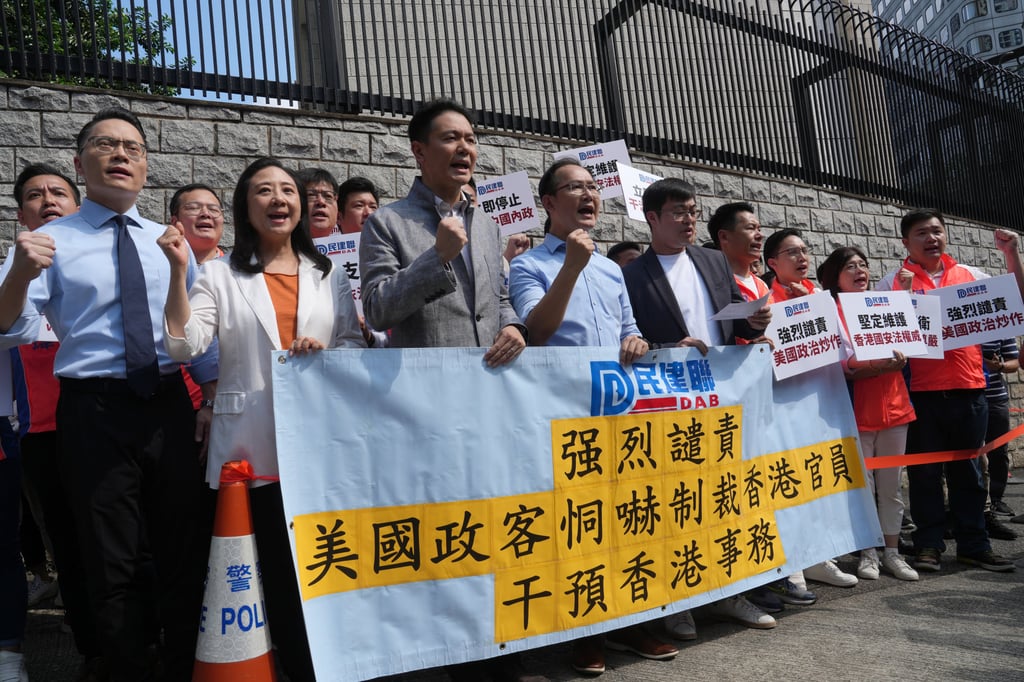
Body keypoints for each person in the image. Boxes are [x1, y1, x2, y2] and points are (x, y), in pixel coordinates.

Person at [0, 108, 217, 680]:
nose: (121, 155)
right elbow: (7, 327)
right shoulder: (46, 241)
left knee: (181, 544)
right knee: (109, 551)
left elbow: (197, 328)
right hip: (93, 409)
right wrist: (19, 274)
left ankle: (182, 663)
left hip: (169, 404)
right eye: (106, 145)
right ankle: (124, 663)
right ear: (80, 162)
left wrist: (211, 399)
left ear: (146, 166)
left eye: (133, 148)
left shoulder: (167, 242)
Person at [161, 157, 365, 680]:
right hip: (248, 446)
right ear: (246, 208)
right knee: (257, 571)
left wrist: (324, 351)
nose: (279, 200)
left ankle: (306, 666)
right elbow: (184, 344)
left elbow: (350, 346)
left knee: (308, 571)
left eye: (287, 191)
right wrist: (179, 272)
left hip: (314, 444)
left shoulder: (329, 273)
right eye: (264, 192)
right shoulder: (220, 273)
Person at [360, 99, 538, 682]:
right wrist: (437, 256)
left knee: (495, 522)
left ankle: (499, 646)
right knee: (442, 530)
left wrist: (515, 325)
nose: (466, 148)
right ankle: (442, 654)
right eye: (450, 139)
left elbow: (500, 299)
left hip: (493, 400)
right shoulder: (386, 223)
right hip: (429, 409)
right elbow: (379, 308)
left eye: (471, 138)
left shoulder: (486, 220)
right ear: (418, 150)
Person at [510, 158, 676, 676]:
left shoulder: (611, 269)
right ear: (548, 203)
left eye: (592, 187)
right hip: (565, 417)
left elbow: (632, 330)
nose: (588, 196)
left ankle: (630, 623)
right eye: (574, 188)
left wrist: (636, 339)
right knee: (578, 527)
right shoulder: (529, 265)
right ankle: (585, 633)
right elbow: (537, 329)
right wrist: (571, 267)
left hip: (619, 412)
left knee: (627, 521)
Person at [621, 183, 775, 638]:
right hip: (670, 402)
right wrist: (673, 349)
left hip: (722, 399)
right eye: (677, 213)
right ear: (651, 217)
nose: (688, 221)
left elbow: (733, 318)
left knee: (724, 497)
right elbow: (632, 341)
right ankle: (680, 600)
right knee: (678, 504)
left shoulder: (712, 260)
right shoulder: (631, 275)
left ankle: (728, 593)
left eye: (692, 212)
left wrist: (754, 323)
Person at [877, 210, 1020, 573]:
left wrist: (1012, 255)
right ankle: (928, 545)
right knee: (924, 476)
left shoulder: (971, 276)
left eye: (937, 231)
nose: (932, 238)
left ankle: (974, 544)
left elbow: (1016, 300)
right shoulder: (891, 282)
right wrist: (904, 294)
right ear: (905, 242)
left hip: (970, 390)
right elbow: (879, 333)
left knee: (970, 474)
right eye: (922, 233)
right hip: (918, 393)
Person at [762, 228, 859, 589]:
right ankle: (793, 562)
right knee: (788, 480)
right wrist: (797, 310)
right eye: (792, 252)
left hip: (824, 400)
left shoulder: (822, 296)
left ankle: (821, 555)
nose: (802, 257)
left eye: (804, 251)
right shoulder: (763, 297)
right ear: (772, 262)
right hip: (785, 404)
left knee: (821, 480)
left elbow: (845, 347)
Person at [817, 246, 919, 582]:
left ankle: (893, 552)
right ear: (836, 276)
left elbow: (912, 340)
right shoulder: (831, 311)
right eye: (851, 266)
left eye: (863, 264)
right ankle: (868, 552)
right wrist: (870, 366)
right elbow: (839, 364)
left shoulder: (885, 304)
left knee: (891, 488)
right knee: (861, 487)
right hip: (855, 411)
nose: (860, 271)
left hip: (894, 407)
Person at [980, 338, 1019, 541]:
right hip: (965, 397)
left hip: (996, 398)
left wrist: (1000, 366)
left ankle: (996, 499)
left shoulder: (997, 325)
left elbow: (1015, 362)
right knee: (971, 456)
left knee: (999, 451)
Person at [169, 183, 225, 264]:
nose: (205, 214)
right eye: (193, 208)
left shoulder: (236, 271)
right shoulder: (156, 267)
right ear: (174, 222)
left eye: (213, 209)